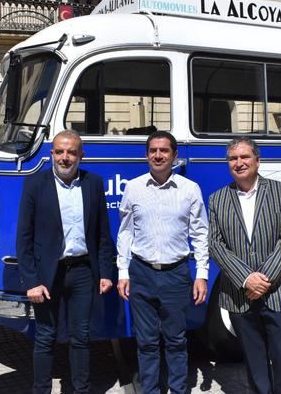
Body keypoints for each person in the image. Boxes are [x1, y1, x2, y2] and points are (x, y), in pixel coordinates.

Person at [16, 130, 115, 394]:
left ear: (81, 155)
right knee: (45, 337)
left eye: (71, 152)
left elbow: (102, 234)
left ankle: (80, 390)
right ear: (51, 155)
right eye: (59, 151)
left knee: (81, 337)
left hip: (83, 272)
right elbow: (24, 238)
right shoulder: (35, 184)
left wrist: (106, 272)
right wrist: (32, 281)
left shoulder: (93, 183)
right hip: (49, 275)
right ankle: (41, 390)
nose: (65, 157)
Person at [208, 137, 281, 394]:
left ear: (257, 161)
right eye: (232, 158)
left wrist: (264, 279)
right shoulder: (218, 199)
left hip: (280, 292)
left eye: (244, 157)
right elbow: (216, 245)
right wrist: (246, 278)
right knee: (254, 361)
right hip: (240, 295)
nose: (239, 163)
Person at [116, 130, 209, 394]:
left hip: (176, 275)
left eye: (164, 151)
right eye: (153, 151)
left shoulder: (190, 189)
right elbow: (125, 232)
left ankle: (179, 390)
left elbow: (200, 233)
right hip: (141, 272)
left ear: (174, 155)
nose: (158, 155)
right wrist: (123, 271)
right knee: (145, 342)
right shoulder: (133, 187)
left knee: (176, 341)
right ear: (146, 155)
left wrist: (201, 274)